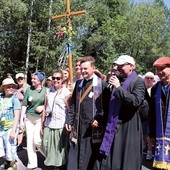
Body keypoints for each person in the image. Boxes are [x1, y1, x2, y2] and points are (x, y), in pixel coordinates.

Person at [98, 55, 146, 170]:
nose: (118, 68)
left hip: (128, 126)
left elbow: (136, 101)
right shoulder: (117, 79)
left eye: (122, 66)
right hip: (113, 124)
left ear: (132, 66)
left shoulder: (138, 81)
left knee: (126, 159)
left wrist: (118, 88)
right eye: (117, 65)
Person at [65, 56, 110, 170]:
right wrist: (69, 120)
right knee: (76, 153)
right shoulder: (79, 83)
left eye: (86, 68)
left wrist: (99, 119)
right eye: (82, 68)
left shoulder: (102, 85)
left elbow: (107, 107)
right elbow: (74, 104)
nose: (83, 71)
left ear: (93, 68)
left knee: (90, 156)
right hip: (79, 125)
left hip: (93, 127)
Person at [42, 70, 71, 169]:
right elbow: (45, 107)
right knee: (45, 144)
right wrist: (42, 123)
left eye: (58, 78)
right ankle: (51, 162)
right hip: (49, 122)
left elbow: (69, 109)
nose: (55, 80)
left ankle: (58, 166)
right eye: (53, 78)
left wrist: (69, 123)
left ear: (62, 79)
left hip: (60, 123)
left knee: (59, 148)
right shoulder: (48, 91)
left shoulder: (66, 92)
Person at [20, 71, 46, 169]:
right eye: (32, 78)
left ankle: (48, 157)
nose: (32, 80)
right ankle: (32, 163)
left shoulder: (45, 91)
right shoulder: (28, 90)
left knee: (37, 141)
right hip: (29, 119)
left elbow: (49, 104)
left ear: (40, 81)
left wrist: (43, 107)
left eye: (34, 79)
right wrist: (21, 121)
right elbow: (24, 105)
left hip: (39, 119)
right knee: (29, 142)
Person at [148, 57, 170, 170]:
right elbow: (152, 113)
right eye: (157, 69)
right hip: (160, 135)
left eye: (162, 68)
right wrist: (151, 135)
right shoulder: (155, 88)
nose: (159, 72)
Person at [0, 78, 21, 169]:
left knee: (11, 146)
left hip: (10, 127)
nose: (11, 88)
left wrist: (13, 130)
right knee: (3, 146)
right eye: (8, 86)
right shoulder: (0, 98)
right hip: (1, 127)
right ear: (4, 88)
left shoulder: (14, 99)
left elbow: (16, 116)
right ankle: (7, 161)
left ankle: (13, 163)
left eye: (12, 86)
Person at [142, 72, 155, 160]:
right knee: (144, 132)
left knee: (151, 134)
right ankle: (144, 144)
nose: (149, 79)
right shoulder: (142, 89)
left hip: (153, 115)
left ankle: (149, 152)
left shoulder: (155, 88)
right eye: (147, 78)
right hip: (143, 115)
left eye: (151, 78)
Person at [15, 72, 30, 151]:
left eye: (21, 78)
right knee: (18, 127)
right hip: (17, 111)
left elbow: (30, 99)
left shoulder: (27, 88)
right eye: (18, 79)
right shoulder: (16, 88)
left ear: (24, 79)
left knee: (23, 127)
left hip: (25, 110)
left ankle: (22, 144)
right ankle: (18, 143)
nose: (20, 80)